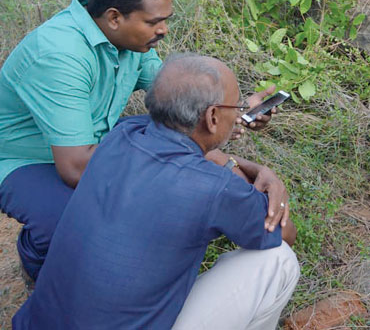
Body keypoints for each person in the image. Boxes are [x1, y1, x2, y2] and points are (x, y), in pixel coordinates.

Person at [0, 0, 287, 284]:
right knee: (70, 222)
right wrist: (165, 184)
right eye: (153, 22)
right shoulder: (59, 55)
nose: (163, 30)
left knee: (172, 143)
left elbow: (180, 103)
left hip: (94, 139)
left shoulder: (132, 42)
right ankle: (39, 264)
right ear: (114, 18)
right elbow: (76, 169)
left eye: (165, 19)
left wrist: (231, 113)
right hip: (26, 158)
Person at [13, 54, 299, 330]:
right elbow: (286, 234)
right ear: (212, 117)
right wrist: (272, 181)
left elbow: (197, 150)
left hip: (35, 323)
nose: (239, 113)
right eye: (236, 106)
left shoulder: (123, 134)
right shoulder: (215, 188)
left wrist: (241, 161)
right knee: (279, 261)